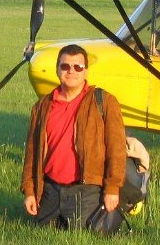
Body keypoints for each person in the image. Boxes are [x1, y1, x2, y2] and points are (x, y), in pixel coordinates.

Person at [20, 44, 126, 230]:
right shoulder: (42, 106)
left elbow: (116, 149)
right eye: (65, 66)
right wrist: (29, 191)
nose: (71, 71)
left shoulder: (104, 102)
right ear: (57, 70)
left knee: (84, 234)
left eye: (78, 67)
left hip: (85, 189)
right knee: (41, 232)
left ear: (85, 72)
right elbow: (32, 152)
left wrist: (112, 188)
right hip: (51, 188)